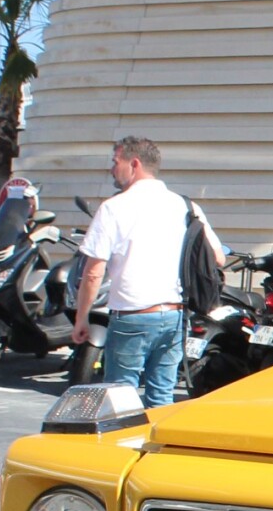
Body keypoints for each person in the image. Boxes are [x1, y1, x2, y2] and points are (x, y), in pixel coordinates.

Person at [70, 136, 221, 406]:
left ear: (135, 163)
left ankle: (126, 446)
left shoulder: (114, 208)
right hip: (174, 315)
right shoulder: (187, 206)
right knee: (161, 395)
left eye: (116, 162)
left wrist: (81, 318)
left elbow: (93, 273)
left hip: (133, 317)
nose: (112, 169)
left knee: (121, 397)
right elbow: (217, 257)